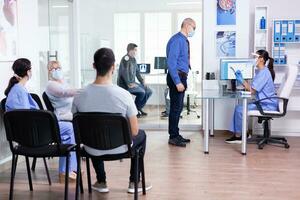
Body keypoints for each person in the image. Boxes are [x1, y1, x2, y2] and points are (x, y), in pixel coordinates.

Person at [72, 48, 152, 194]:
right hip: (121, 148)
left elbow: (77, 128)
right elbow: (134, 131)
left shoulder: (79, 95)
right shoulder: (124, 95)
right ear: (113, 67)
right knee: (142, 135)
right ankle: (134, 182)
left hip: (91, 148)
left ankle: (101, 181)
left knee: (94, 129)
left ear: (94, 66)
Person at [4, 58, 78, 183]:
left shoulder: (16, 90)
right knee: (70, 129)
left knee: (67, 129)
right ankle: (66, 171)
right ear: (28, 72)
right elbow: (27, 118)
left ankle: (68, 169)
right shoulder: (20, 91)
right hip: (33, 134)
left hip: (27, 133)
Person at [226, 50, 279, 144]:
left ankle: (240, 136)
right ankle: (243, 134)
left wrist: (241, 80)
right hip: (264, 102)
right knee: (239, 108)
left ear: (261, 59)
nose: (253, 59)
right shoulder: (262, 72)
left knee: (239, 110)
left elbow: (252, 90)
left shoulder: (263, 73)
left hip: (266, 104)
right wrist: (242, 80)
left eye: (255, 57)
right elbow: (253, 89)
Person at [166, 18, 196, 147]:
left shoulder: (183, 40)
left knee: (178, 108)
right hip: (176, 77)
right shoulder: (177, 40)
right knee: (175, 108)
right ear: (187, 25)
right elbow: (171, 63)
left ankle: (176, 134)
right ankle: (173, 137)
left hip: (181, 76)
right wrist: (177, 82)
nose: (194, 30)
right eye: (194, 28)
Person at [117, 43, 152, 118]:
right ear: (130, 50)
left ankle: (138, 108)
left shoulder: (134, 59)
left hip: (132, 82)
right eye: (135, 50)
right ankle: (134, 111)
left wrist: (142, 81)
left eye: (136, 50)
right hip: (125, 85)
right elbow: (124, 73)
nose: (136, 52)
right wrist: (129, 84)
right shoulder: (125, 59)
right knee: (142, 92)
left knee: (149, 91)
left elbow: (137, 72)